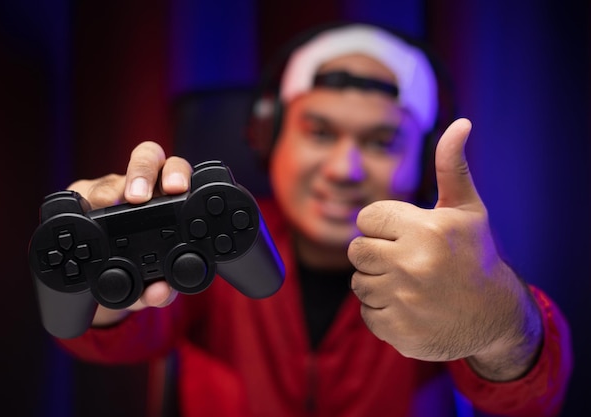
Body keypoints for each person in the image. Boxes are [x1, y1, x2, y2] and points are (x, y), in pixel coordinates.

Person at [57, 22, 572, 417]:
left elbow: (529, 397)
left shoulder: (448, 260)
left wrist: (503, 325)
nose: (343, 169)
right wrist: (98, 274)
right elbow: (110, 338)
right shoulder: (214, 237)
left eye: (381, 142)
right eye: (320, 132)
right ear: (268, 137)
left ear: (421, 159)